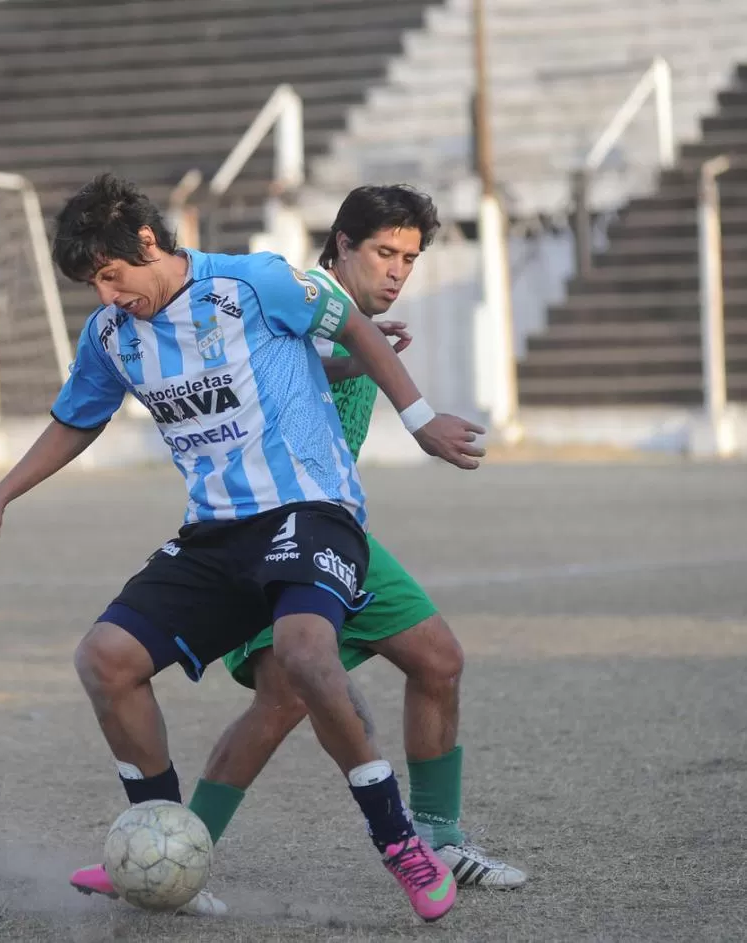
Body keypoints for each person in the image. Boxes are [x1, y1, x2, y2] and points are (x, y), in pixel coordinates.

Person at [0, 173, 484, 923]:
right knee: (104, 658)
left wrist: (422, 419)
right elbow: (79, 417)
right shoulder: (111, 335)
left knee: (304, 655)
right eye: (92, 284)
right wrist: (0, 493)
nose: (106, 295)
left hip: (310, 509)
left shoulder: (252, 282)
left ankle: (401, 841)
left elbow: (354, 325)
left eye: (111, 275)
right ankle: (162, 841)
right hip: (216, 531)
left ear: (146, 242)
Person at [187, 186, 527, 894]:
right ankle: (183, 851)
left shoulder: (354, 321)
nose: (398, 269)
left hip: (337, 530)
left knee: (437, 659)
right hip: (269, 530)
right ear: (340, 244)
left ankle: (440, 838)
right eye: (383, 251)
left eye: (409, 256)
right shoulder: (300, 300)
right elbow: (273, 363)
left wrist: (357, 357)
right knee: (282, 697)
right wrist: (375, 376)